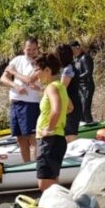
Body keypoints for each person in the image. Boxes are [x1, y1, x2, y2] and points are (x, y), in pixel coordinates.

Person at [0, 37, 43, 162]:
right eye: (29, 49)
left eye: (34, 49)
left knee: (32, 136)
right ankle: (26, 163)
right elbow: (3, 78)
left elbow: (30, 80)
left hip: (30, 103)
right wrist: (15, 85)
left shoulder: (40, 62)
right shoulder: (17, 59)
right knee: (20, 138)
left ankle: (35, 165)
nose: (32, 52)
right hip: (15, 102)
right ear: (24, 49)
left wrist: (15, 73)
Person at [33, 52, 70, 191]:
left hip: (50, 139)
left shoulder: (51, 87)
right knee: (52, 184)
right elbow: (70, 107)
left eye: (37, 70)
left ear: (47, 70)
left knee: (44, 185)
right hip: (57, 139)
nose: (36, 74)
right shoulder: (60, 86)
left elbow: (57, 109)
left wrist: (49, 128)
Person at [57, 44, 80, 142]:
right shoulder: (66, 68)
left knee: (70, 134)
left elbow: (62, 88)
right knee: (66, 133)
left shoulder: (68, 69)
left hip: (71, 104)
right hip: (69, 103)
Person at [72, 39, 96, 124]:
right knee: (79, 109)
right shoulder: (75, 60)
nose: (72, 52)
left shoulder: (85, 57)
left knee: (85, 108)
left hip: (87, 86)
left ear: (77, 48)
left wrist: (76, 78)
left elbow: (88, 72)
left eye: (73, 50)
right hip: (79, 87)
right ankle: (83, 124)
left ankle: (89, 123)